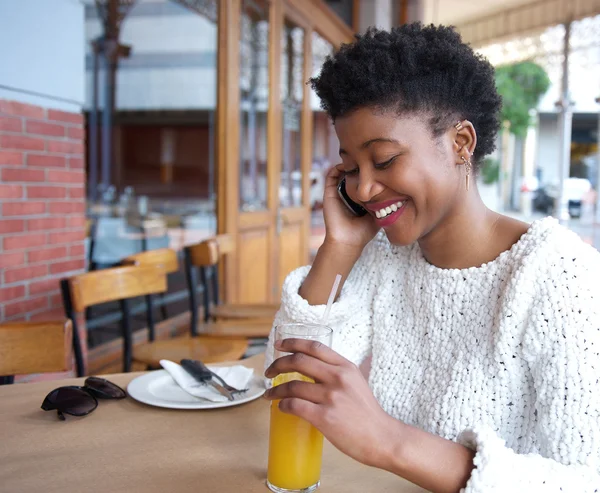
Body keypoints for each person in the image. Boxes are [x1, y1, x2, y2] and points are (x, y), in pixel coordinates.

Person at [263, 24, 600, 493]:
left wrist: (391, 442)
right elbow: (287, 378)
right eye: (351, 166)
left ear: (461, 143)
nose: (361, 188)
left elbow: (586, 481)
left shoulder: (560, 275)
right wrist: (338, 247)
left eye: (382, 161)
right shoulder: (382, 259)